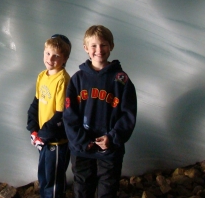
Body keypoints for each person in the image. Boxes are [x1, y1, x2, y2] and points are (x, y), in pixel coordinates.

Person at [63, 25, 137, 198]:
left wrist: (112, 137)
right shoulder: (77, 80)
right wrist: (81, 141)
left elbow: (128, 115)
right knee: (82, 187)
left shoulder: (121, 80)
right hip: (82, 148)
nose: (99, 50)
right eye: (94, 45)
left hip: (110, 149)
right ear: (86, 48)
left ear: (111, 46)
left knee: (108, 188)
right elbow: (69, 115)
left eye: (103, 45)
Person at [27, 34, 72, 198]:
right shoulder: (42, 76)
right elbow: (36, 104)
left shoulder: (63, 80)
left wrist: (43, 135)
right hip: (44, 139)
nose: (50, 58)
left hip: (57, 141)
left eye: (56, 56)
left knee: (54, 181)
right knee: (44, 176)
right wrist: (33, 129)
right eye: (48, 53)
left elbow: (61, 115)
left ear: (65, 58)